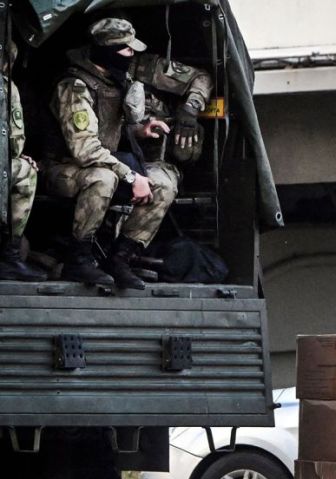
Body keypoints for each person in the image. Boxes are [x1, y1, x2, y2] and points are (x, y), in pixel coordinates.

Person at [45, 17, 212, 289]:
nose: (132, 55)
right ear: (106, 51)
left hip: (104, 163)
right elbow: (85, 149)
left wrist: (140, 130)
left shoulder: (115, 77)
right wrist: (132, 177)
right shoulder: (74, 86)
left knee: (164, 183)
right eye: (125, 49)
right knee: (103, 179)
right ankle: (79, 258)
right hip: (64, 168)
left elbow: (108, 132)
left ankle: (121, 257)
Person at [0, 39, 46, 282]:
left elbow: (14, 142)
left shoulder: (8, 87)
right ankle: (10, 257)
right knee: (25, 171)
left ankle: (10, 256)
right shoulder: (6, 88)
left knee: (25, 169)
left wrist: (15, 157)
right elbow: (15, 139)